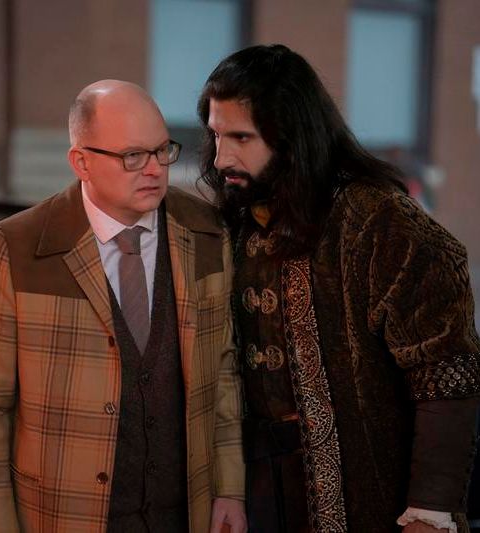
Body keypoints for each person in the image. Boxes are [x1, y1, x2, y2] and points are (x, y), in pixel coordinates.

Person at [197, 44, 480, 533]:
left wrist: (429, 515)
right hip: (257, 493)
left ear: (291, 136)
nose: (222, 157)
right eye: (216, 135)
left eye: (242, 137)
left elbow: (447, 377)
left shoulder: (379, 221)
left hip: (368, 497)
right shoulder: (234, 224)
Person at [0, 80, 246, 532]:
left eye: (162, 150)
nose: (154, 170)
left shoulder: (207, 232)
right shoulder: (15, 247)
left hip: (185, 514)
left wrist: (229, 488)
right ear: (81, 162)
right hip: (65, 517)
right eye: (132, 156)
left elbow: (223, 373)